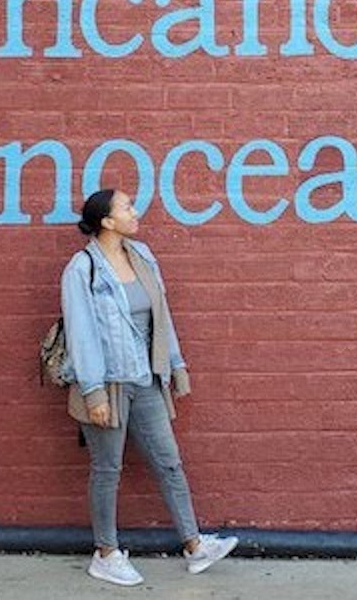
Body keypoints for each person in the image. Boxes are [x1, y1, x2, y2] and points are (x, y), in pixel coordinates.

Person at [60, 188, 238, 587]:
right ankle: (105, 553)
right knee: (107, 469)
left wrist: (176, 365)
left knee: (169, 462)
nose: (135, 212)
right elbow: (81, 333)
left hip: (147, 379)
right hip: (107, 383)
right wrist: (93, 392)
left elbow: (162, 316)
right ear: (106, 221)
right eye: (126, 207)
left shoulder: (143, 257)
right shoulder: (82, 268)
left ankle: (194, 547)